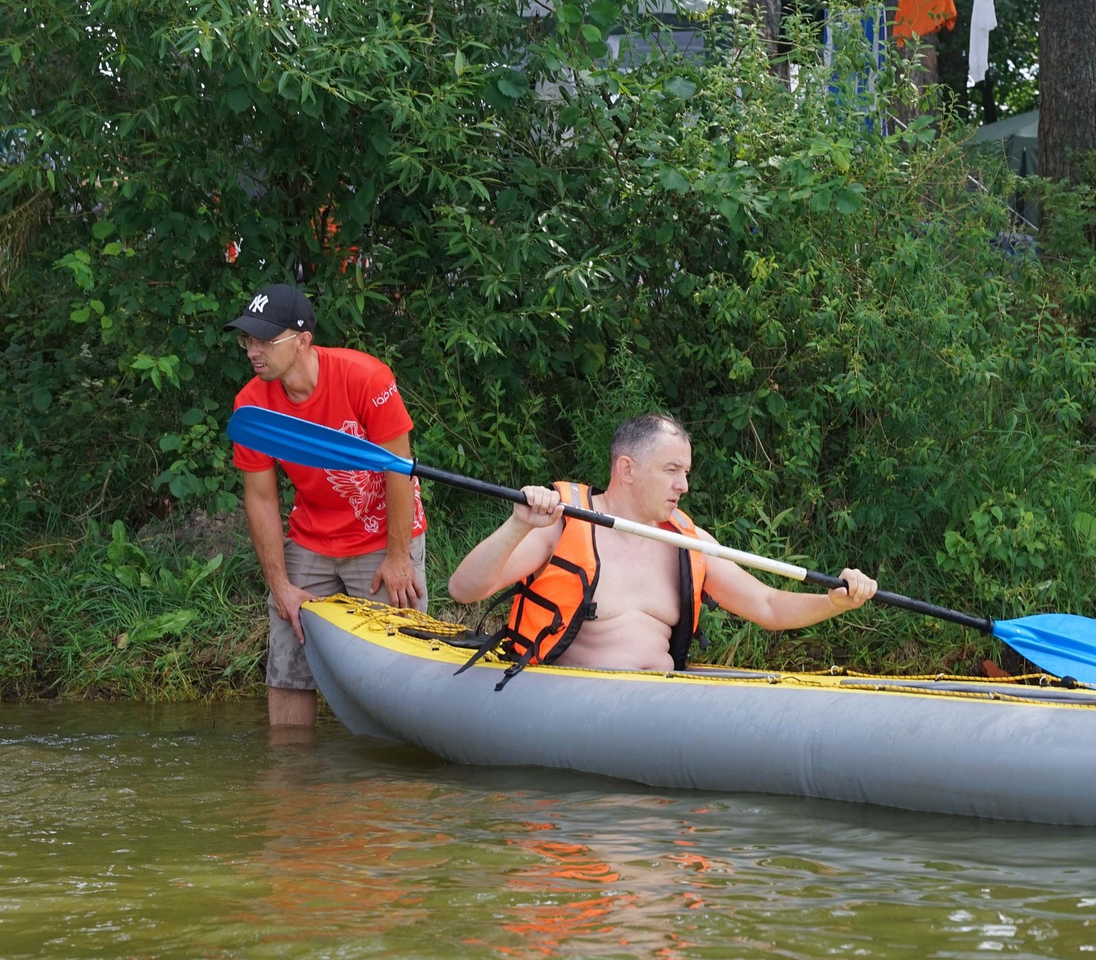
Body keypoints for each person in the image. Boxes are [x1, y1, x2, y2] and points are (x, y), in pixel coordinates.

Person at [446, 413, 877, 672]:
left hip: (659, 698)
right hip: (578, 704)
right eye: (672, 470)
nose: (683, 485)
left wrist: (835, 602)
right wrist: (518, 524)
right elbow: (464, 589)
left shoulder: (687, 542)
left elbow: (767, 605)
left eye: (685, 472)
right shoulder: (560, 524)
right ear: (627, 469)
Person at [228, 283, 427, 727]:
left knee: (397, 664)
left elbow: (399, 470)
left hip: (380, 535)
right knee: (288, 664)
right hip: (311, 537)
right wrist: (280, 585)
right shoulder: (253, 406)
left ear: (302, 340)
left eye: (264, 340)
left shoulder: (366, 378)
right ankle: (290, 765)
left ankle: (398, 765)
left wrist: (399, 557)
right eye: (247, 340)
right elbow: (260, 497)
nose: (253, 351)